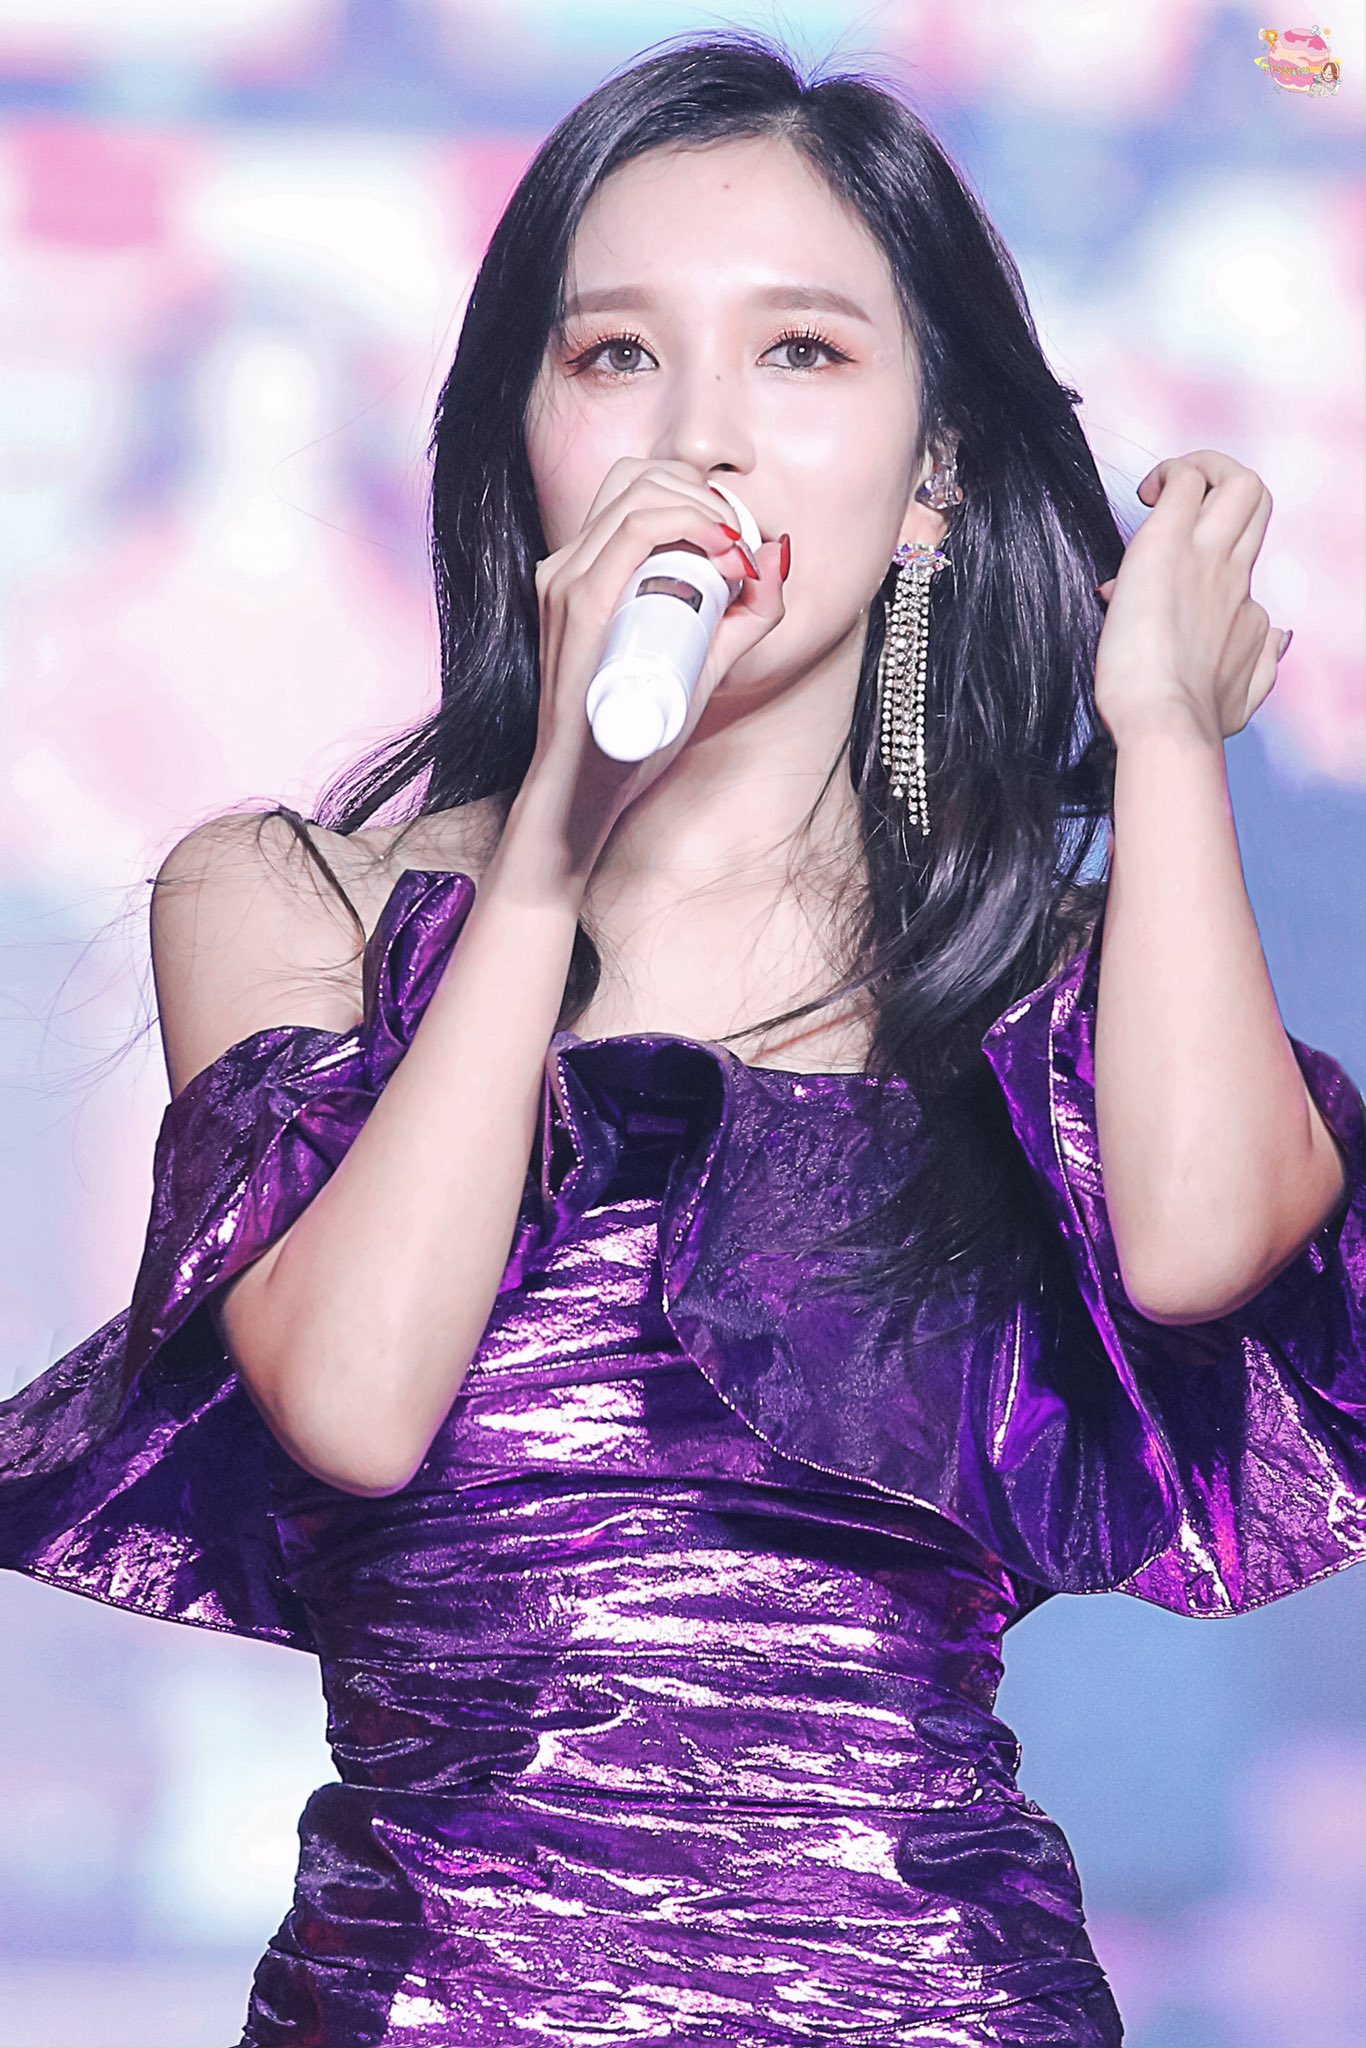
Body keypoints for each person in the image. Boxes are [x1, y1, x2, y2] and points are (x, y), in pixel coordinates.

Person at [3, 31, 1363, 2048]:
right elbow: (356, 1400)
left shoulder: (1032, 974)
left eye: (799, 352)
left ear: (931, 467)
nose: (700, 435)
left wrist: (1161, 729)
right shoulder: (293, 905)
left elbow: (1194, 1242)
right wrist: (554, 832)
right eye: (616, 355)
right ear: (525, 439)